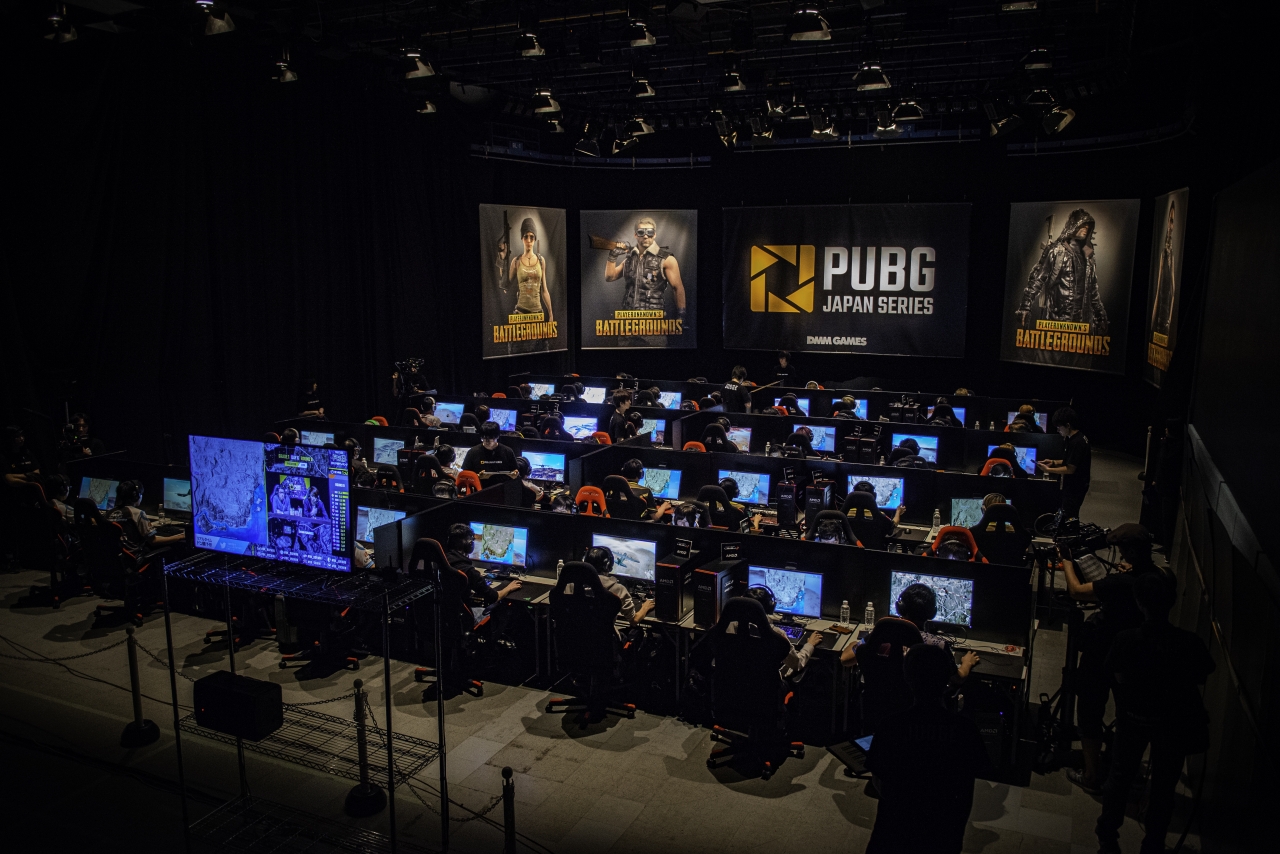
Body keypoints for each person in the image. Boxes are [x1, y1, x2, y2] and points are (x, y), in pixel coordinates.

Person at [1093, 572, 1213, 854]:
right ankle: (1153, 843)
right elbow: (1203, 672)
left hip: (1133, 718)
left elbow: (1115, 674)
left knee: (1119, 777)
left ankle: (1108, 836)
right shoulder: (1188, 642)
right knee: (1163, 787)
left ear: (1139, 602)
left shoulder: (1126, 639)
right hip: (1173, 723)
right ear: (1171, 602)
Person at [1060, 523, 1166, 793]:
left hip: (1102, 652)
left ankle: (1091, 775)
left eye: (1122, 550)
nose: (1120, 555)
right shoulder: (1157, 578)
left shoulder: (1120, 583)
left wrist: (1067, 562)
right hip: (1136, 657)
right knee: (1126, 712)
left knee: (1090, 709)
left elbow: (1076, 591)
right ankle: (1124, 769)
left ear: (1131, 552)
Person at [865, 644, 989, 854]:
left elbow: (880, 783)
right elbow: (966, 790)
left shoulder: (891, 726)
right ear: (947, 677)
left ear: (907, 677)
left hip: (892, 834)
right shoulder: (965, 730)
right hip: (942, 835)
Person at [603, 216, 687, 347]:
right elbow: (610, 277)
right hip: (628, 323)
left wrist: (681, 315)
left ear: (655, 234)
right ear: (636, 235)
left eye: (650, 232)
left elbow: (678, 287)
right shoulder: (629, 259)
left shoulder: (666, 259)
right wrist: (612, 256)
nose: (646, 236)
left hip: (653, 323)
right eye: (641, 232)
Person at [743, 586, 821, 673]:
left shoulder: (733, 627)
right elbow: (797, 664)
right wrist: (810, 644)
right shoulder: (775, 634)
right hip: (769, 680)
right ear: (771, 607)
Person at [445, 523, 522, 608]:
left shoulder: (443, 561)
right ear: (470, 545)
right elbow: (495, 597)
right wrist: (509, 588)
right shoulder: (469, 571)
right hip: (464, 614)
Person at [1038, 406, 1091, 517]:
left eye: (1059, 427)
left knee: (1070, 515)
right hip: (1074, 484)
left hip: (1076, 486)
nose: (1058, 430)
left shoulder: (1077, 443)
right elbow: (1069, 460)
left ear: (1068, 425)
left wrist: (1048, 470)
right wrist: (1053, 462)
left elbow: (1070, 469)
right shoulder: (1073, 438)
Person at [583, 546, 654, 627]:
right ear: (609, 566)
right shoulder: (618, 589)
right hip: (604, 634)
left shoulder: (573, 585)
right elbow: (634, 621)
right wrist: (646, 607)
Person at [107, 481, 185, 549]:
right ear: (136, 496)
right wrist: (180, 536)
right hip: (134, 557)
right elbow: (153, 540)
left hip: (116, 557)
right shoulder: (138, 513)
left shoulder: (109, 513)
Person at [506, 218, 555, 323]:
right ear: (522, 238)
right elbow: (505, 286)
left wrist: (550, 313)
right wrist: (501, 260)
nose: (528, 240)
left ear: (535, 239)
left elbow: (544, 290)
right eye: (526, 236)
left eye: (531, 237)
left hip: (537, 314)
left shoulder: (541, 261)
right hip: (520, 313)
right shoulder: (516, 261)